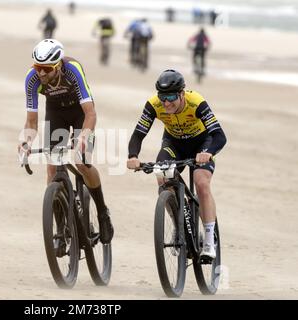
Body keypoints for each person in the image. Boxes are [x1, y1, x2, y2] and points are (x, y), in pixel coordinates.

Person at [18, 39, 114, 244]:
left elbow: (91, 113)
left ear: (59, 65)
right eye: (37, 67)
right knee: (52, 169)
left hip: (80, 112)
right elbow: (31, 122)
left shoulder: (73, 70)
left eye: (46, 69)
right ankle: (60, 228)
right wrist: (25, 142)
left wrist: (83, 137)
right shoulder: (32, 79)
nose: (41, 73)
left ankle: (102, 212)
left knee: (82, 162)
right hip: (56, 112)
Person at [127, 70, 227, 260]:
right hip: (174, 144)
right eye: (162, 97)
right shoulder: (154, 105)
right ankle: (178, 224)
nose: (166, 103)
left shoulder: (196, 102)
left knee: (201, 182)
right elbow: (138, 134)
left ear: (182, 94)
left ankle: (208, 240)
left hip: (201, 145)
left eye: (171, 97)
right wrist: (133, 156)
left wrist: (208, 153)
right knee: (162, 176)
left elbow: (220, 136)